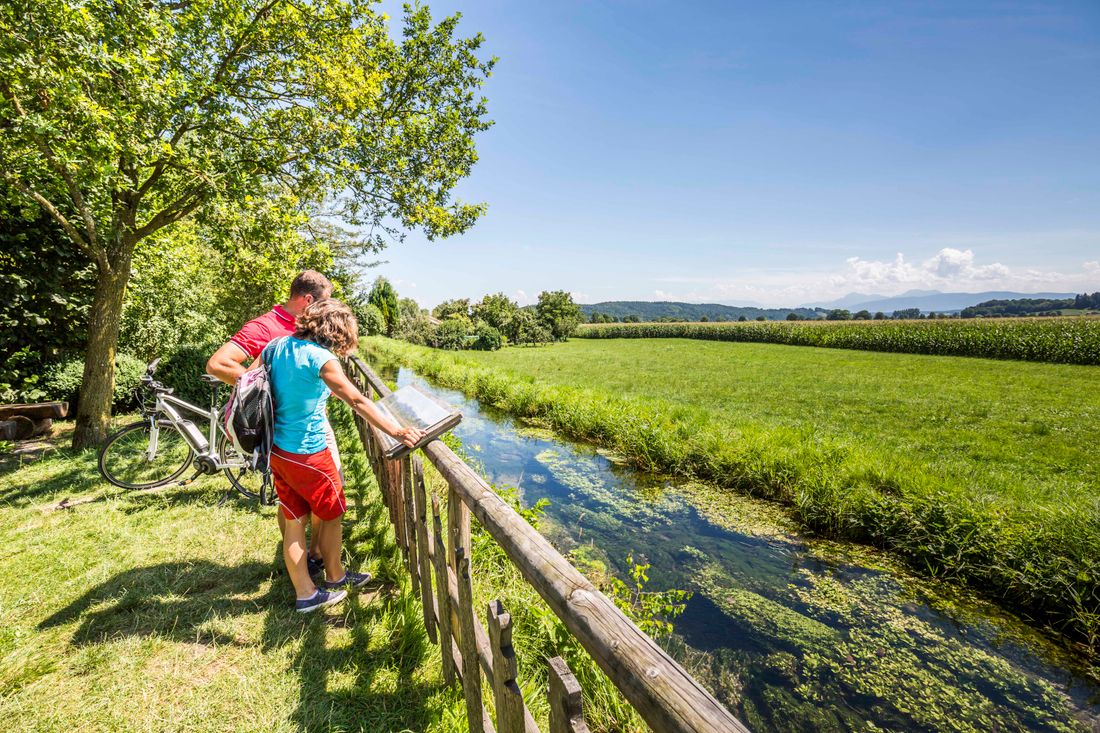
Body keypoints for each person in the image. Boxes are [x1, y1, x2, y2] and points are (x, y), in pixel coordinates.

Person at [251, 298, 425, 612]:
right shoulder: (321, 358)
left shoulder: (275, 347)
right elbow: (356, 401)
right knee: (332, 515)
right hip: (309, 452)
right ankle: (334, 576)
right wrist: (398, 430)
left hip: (278, 450)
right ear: (337, 330)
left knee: (293, 521)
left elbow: (247, 382)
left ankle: (306, 593)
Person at [207, 270, 337, 575]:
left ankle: (315, 555)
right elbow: (218, 364)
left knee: (317, 494)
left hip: (314, 423)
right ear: (308, 300)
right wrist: (272, 391)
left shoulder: (305, 326)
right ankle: (311, 561)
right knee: (299, 500)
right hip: (286, 429)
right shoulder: (266, 326)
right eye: (324, 302)